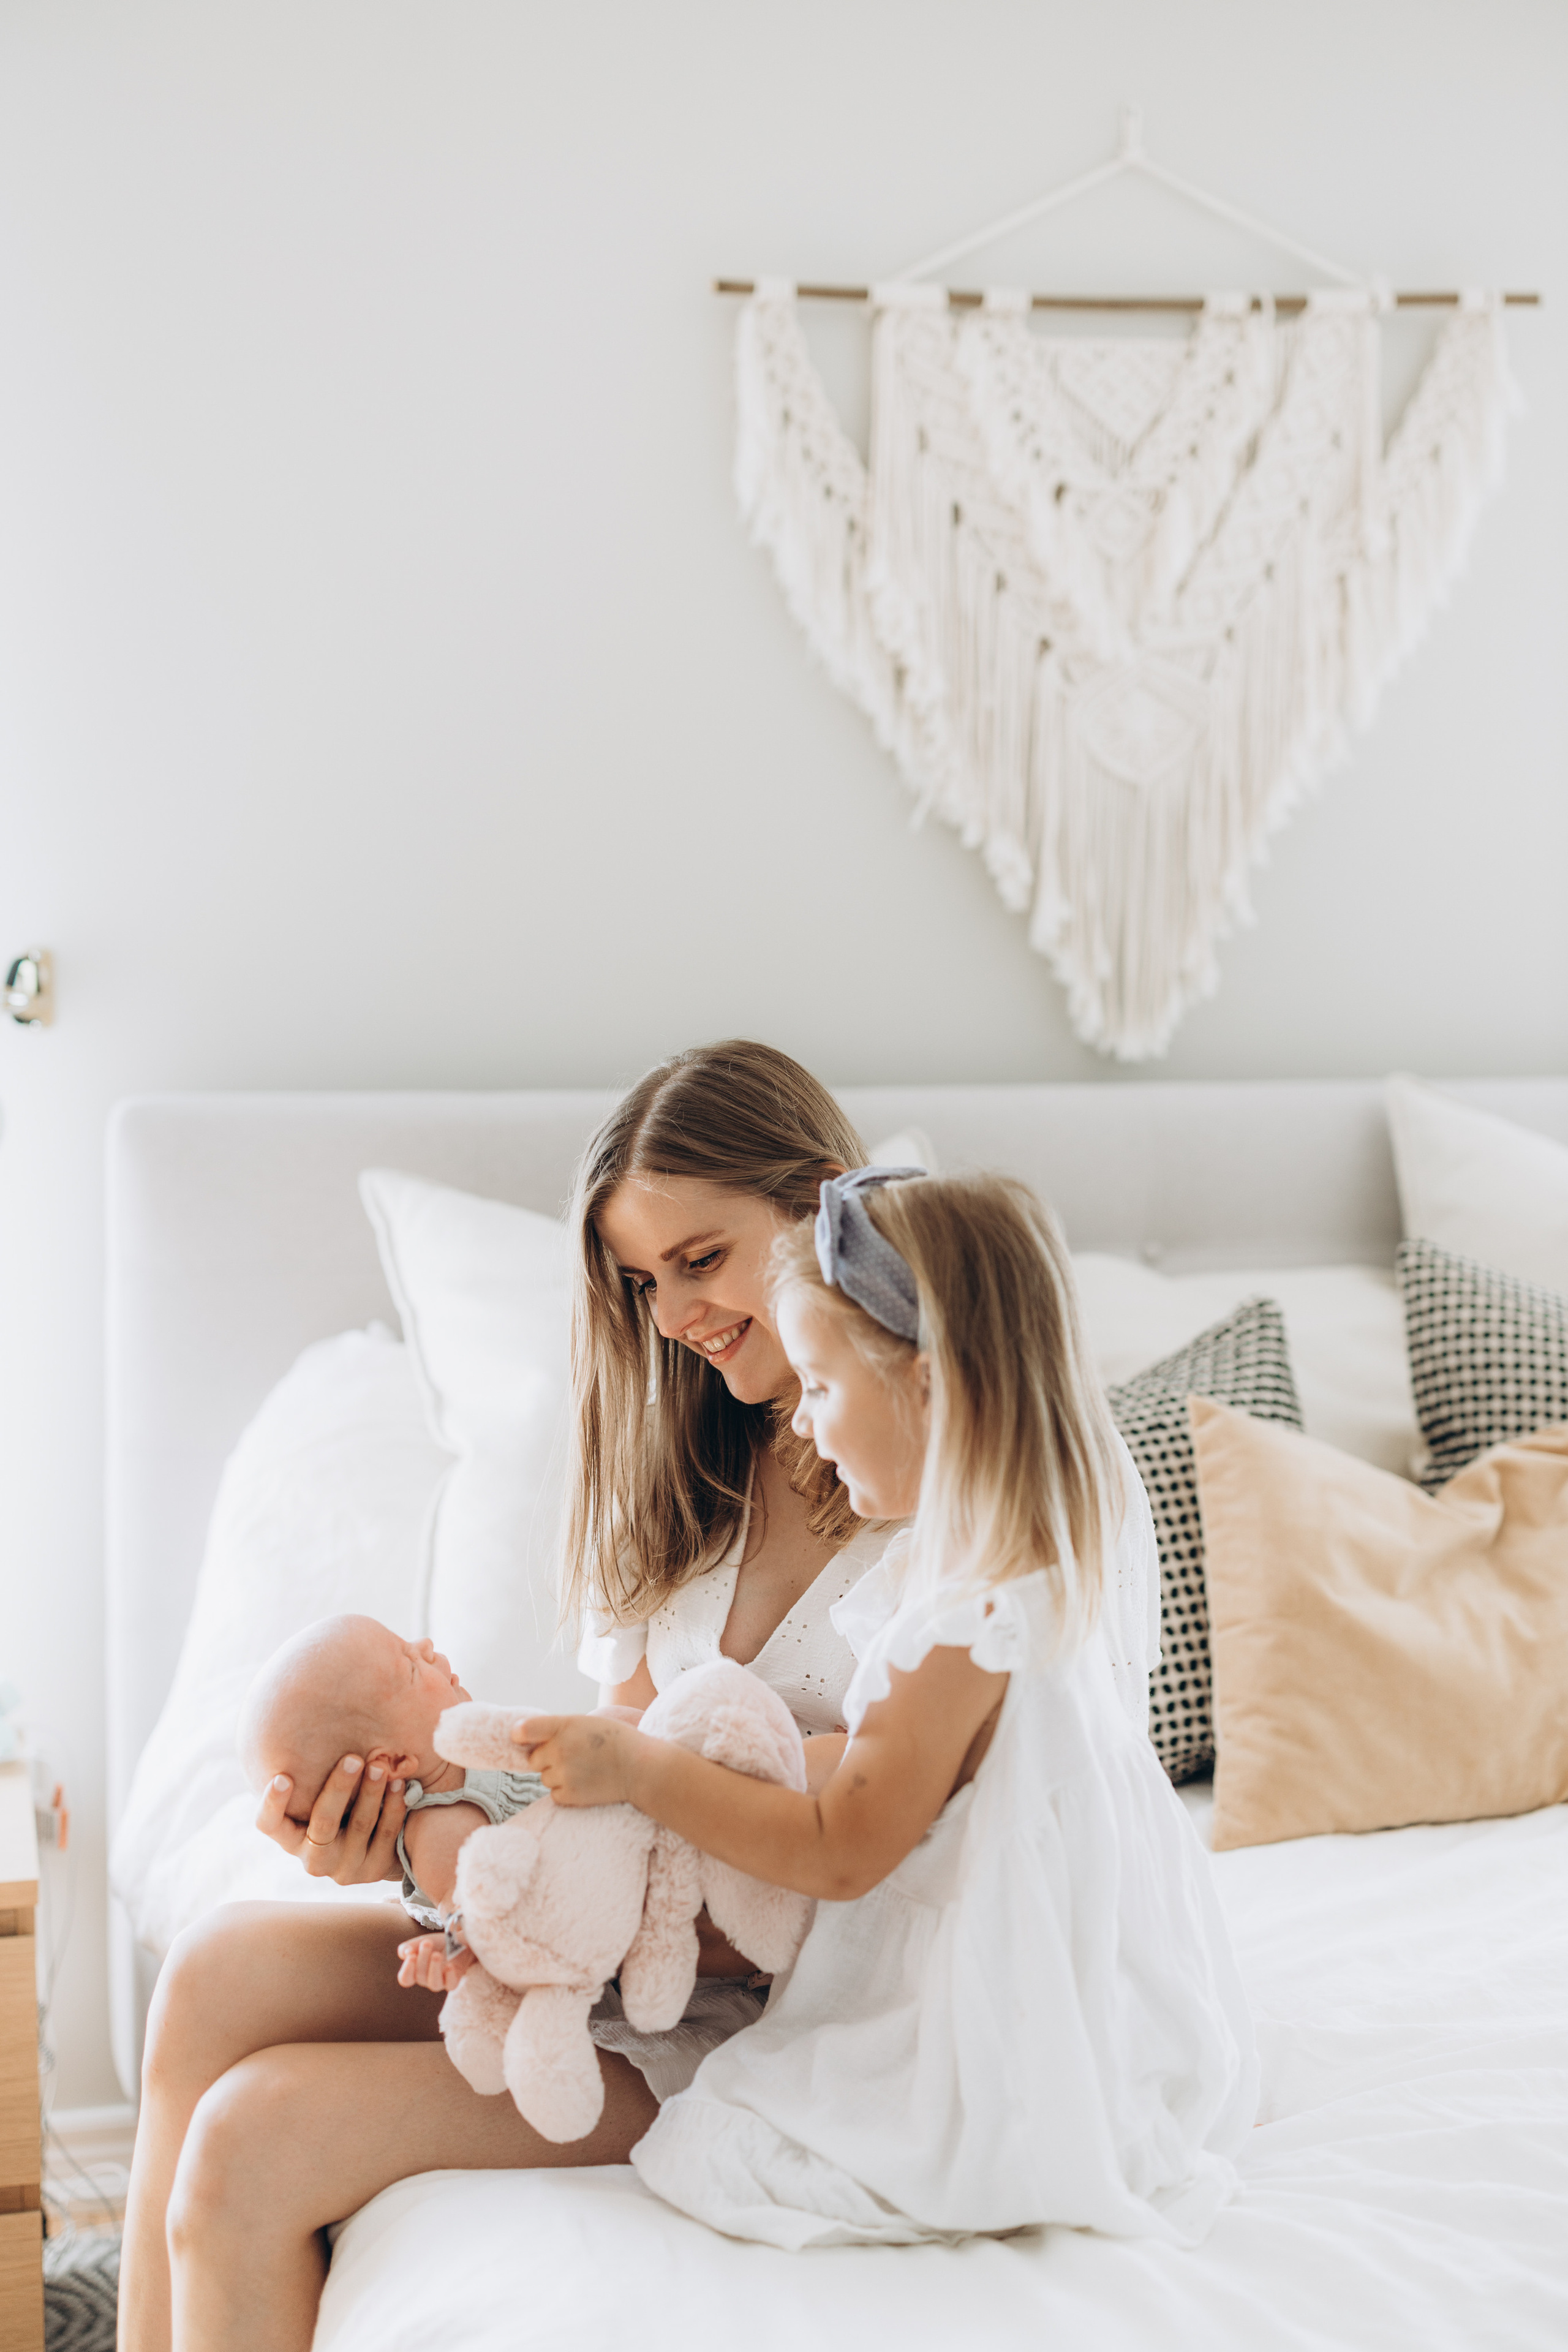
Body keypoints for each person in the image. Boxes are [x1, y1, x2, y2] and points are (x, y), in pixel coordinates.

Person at [119, 1041, 903, 2352]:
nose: (674, 1316)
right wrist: (423, 1851)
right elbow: (616, 1806)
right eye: (642, 1283)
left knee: (252, 2140)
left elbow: (860, 1856)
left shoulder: (924, 1469)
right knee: (212, 1976)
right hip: (621, 1965)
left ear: (821, 1203)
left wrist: (517, 1898)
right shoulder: (682, 1486)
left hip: (792, 2019)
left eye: (700, 1260)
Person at [514, 1167, 1258, 2246]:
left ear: (927, 1388)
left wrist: (644, 1771)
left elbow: (843, 1847)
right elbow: (895, 1778)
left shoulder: (966, 1619)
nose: (808, 1429)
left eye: (822, 1388)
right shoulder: (1019, 1572)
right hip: (1042, 1980)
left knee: (736, 2136)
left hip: (993, 2022)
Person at [236, 1615, 545, 1929]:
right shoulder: (439, 1830)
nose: (425, 1646)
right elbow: (483, 1927)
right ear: (395, 1762)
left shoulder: (476, 1756)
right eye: (411, 1666)